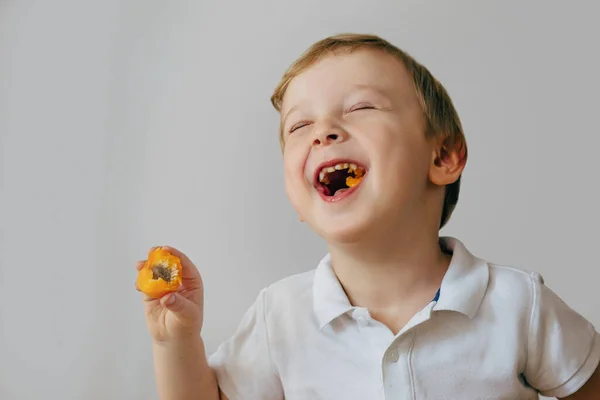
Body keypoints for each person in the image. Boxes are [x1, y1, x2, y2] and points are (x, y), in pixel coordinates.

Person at [135, 33, 600, 399]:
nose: (323, 133)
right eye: (300, 126)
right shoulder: (281, 316)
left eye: (360, 107)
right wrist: (173, 342)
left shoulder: (518, 304)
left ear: (442, 156)